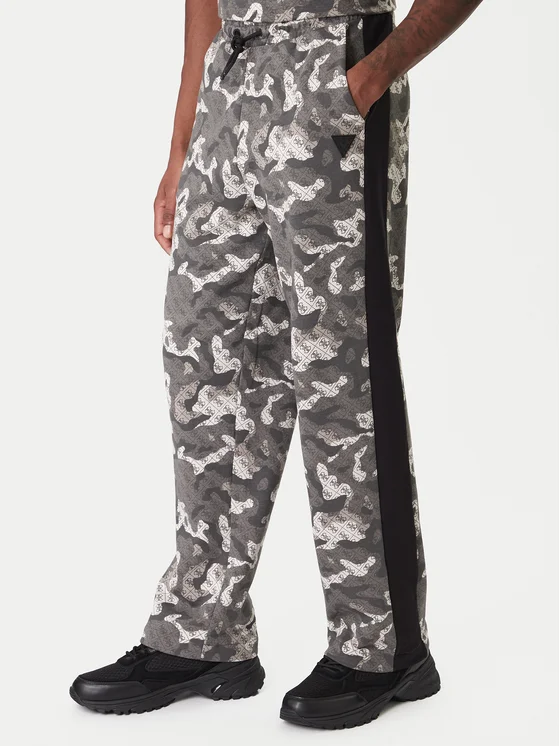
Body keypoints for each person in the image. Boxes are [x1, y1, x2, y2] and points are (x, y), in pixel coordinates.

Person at [70, 0, 483, 729]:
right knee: (205, 361)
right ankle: (203, 631)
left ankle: (383, 647)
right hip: (228, 88)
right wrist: (184, 142)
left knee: (342, 377)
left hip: (330, 73)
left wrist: (369, 76)